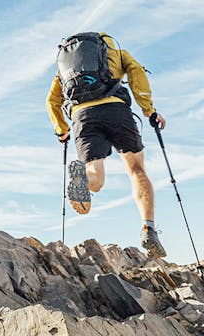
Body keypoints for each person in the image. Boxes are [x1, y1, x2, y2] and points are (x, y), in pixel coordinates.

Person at [46, 32, 167, 258]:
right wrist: (149, 110)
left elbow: (52, 101)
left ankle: (83, 177)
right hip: (116, 111)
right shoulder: (116, 53)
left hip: (82, 116)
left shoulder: (65, 69)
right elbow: (137, 74)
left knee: (95, 175)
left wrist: (62, 131)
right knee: (136, 170)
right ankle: (148, 227)